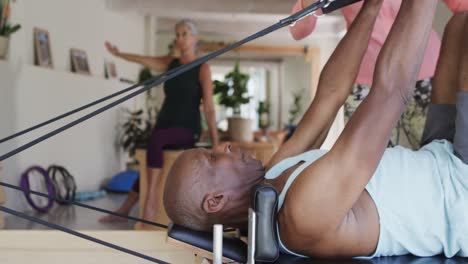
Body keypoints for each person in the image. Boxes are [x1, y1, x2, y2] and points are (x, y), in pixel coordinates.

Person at [164, 0, 468, 258]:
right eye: (213, 158)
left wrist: (371, 6)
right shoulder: (301, 214)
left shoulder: (273, 177)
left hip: (437, 158)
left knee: (458, 26)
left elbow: (330, 95)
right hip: (458, 193)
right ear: (215, 200)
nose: (223, 146)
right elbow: (390, 94)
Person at [290, 0, 468, 149]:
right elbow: (299, 30)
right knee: (364, 168)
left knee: (440, 152)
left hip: (424, 73)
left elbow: (462, 7)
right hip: (365, 84)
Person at [100, 19, 219, 224]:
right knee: (152, 152)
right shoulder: (169, 64)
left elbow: (208, 106)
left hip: (187, 128)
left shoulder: (202, 68)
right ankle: (126, 208)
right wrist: (118, 55)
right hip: (165, 123)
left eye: (185, 34)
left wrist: (216, 141)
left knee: (156, 139)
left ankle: (151, 202)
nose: (180, 39)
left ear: (194, 38)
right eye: (178, 34)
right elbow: (143, 59)